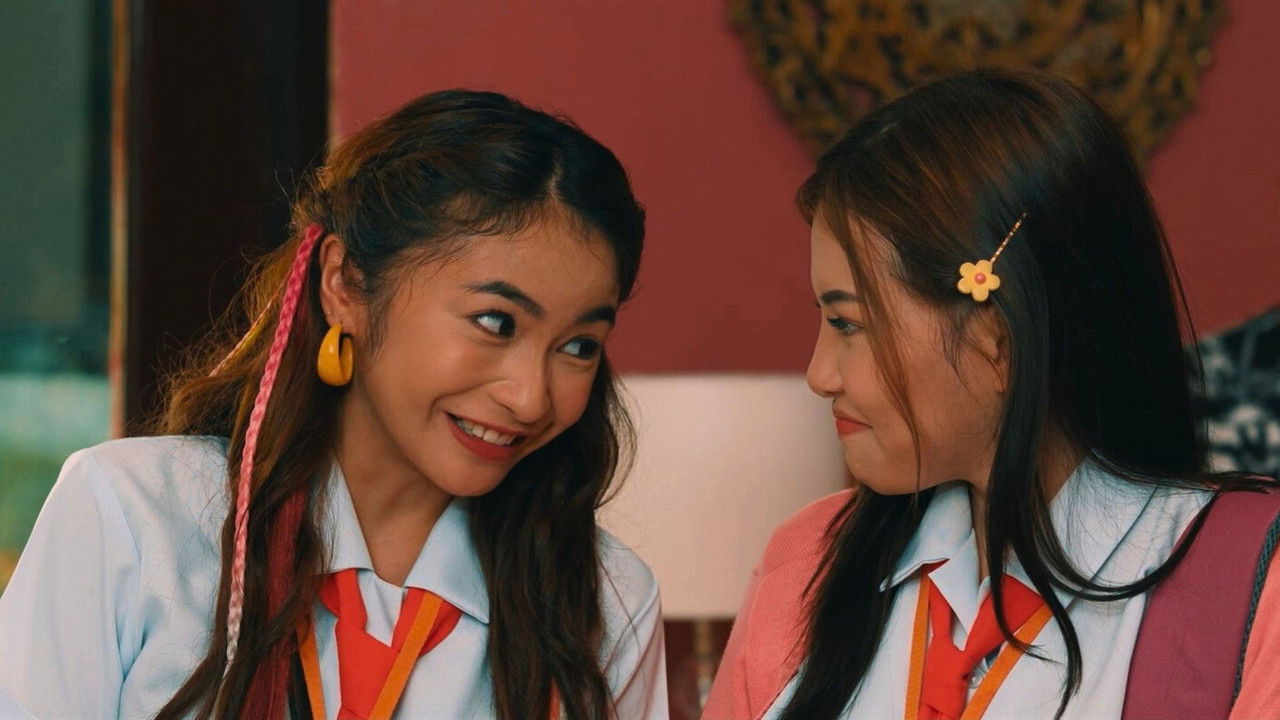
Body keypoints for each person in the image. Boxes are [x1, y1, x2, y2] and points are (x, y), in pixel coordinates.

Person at [0, 90, 666, 720]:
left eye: (578, 346)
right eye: (496, 322)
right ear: (344, 284)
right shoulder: (136, 519)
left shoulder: (605, 603)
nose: (530, 397)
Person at [702, 69, 1280, 720]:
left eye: (848, 324)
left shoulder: (1251, 586)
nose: (819, 375)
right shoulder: (810, 558)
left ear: (995, 336)